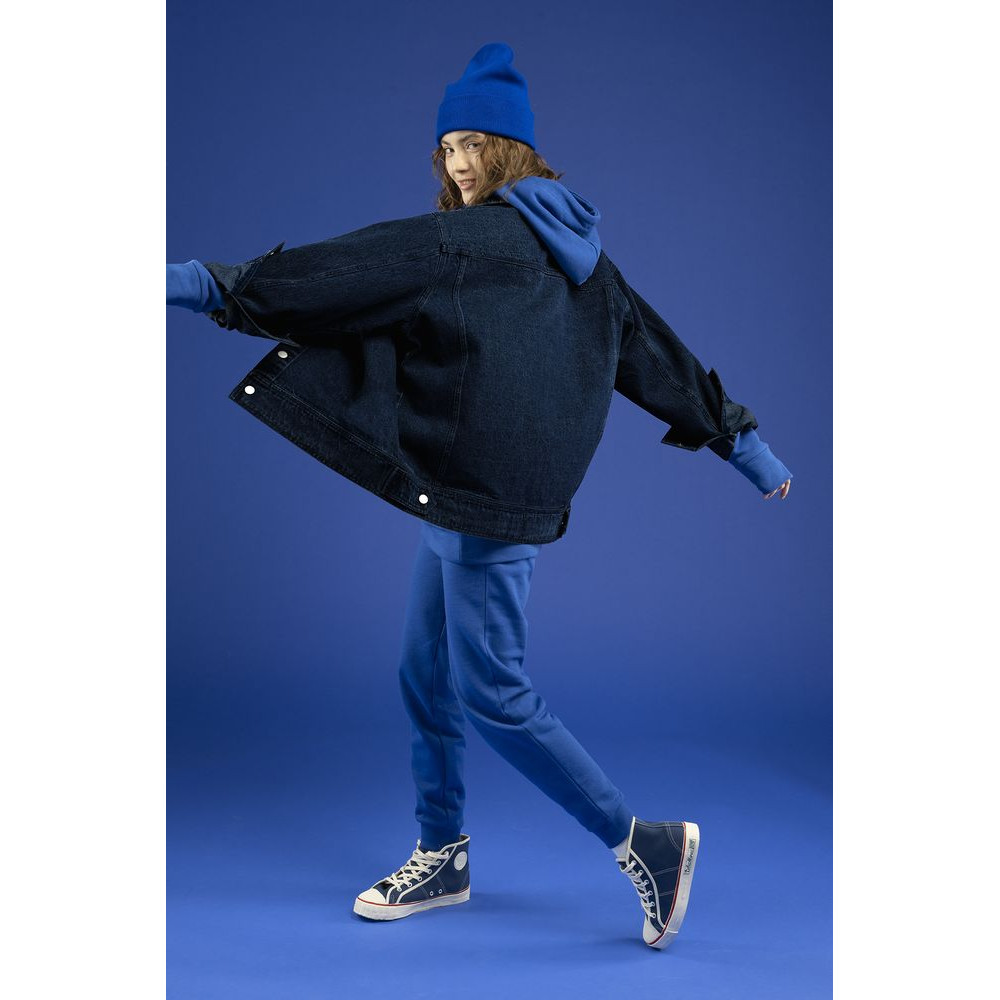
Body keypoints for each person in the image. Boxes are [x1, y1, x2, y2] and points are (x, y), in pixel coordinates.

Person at [167, 41, 792, 951]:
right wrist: (748, 449)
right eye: (448, 147)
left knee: (495, 690)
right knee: (423, 673)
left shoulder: (467, 241)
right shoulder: (589, 259)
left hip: (484, 500)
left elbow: (332, 274)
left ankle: (644, 844)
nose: (458, 164)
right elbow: (656, 356)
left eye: (474, 146)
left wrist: (192, 284)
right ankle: (443, 854)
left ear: (512, 151)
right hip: (466, 495)